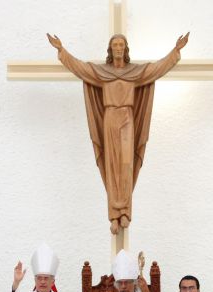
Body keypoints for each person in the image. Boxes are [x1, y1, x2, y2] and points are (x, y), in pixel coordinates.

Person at [47, 32, 189, 234]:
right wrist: (62, 50)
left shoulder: (135, 73)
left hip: (127, 118)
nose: (119, 48)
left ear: (126, 48)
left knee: (126, 164)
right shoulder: (101, 73)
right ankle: (114, 214)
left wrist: (175, 51)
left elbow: (156, 69)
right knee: (112, 165)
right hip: (110, 118)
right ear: (110, 49)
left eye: (122, 44)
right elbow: (81, 68)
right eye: (115, 45)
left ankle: (125, 212)